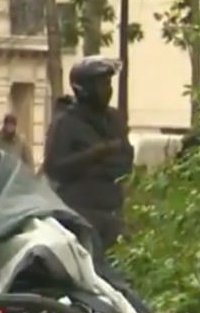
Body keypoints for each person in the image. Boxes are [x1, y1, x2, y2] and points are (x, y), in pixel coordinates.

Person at [42, 58, 134, 254]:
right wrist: (94, 154)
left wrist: (104, 160)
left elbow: (125, 161)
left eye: (109, 84)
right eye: (102, 84)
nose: (107, 90)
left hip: (112, 211)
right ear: (84, 88)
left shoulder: (114, 119)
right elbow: (55, 168)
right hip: (80, 214)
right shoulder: (66, 122)